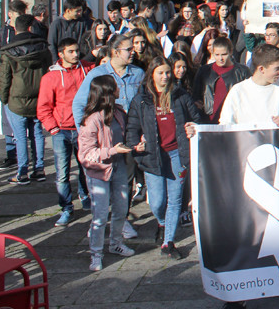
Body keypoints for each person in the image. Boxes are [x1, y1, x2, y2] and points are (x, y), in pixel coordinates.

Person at [212, 43, 279, 309]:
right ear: (261, 68)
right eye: (277, 68)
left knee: (276, 229)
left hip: (277, 172)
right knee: (245, 234)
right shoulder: (239, 92)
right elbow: (224, 130)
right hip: (246, 171)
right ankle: (237, 299)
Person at [126, 56, 205, 258]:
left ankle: (168, 242)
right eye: (160, 73)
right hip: (153, 155)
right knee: (157, 202)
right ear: (152, 74)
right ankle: (162, 222)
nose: (165, 76)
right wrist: (135, 145)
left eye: (167, 72)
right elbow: (132, 127)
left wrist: (192, 127)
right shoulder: (141, 100)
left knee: (175, 199)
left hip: (178, 153)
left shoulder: (180, 96)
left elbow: (196, 119)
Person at [77, 76, 135, 271]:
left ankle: (116, 243)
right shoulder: (91, 120)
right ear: (107, 92)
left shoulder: (118, 112)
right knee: (100, 215)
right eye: (115, 88)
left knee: (121, 209)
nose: (119, 90)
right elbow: (86, 155)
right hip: (99, 173)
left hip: (119, 167)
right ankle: (96, 253)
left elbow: (126, 135)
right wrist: (112, 151)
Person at [37, 38, 92, 225]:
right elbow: (43, 107)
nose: (76, 54)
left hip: (83, 128)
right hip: (61, 130)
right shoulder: (51, 77)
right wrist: (53, 128)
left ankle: (85, 196)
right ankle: (66, 208)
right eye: (71, 51)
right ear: (61, 54)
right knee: (62, 172)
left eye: (77, 50)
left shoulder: (87, 69)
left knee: (86, 167)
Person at [0, 14, 53, 184]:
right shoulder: (43, 48)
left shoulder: (8, 51)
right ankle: (39, 169)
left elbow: (4, 78)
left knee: (20, 136)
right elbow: (49, 73)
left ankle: (22, 173)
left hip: (16, 99)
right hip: (39, 97)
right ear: (30, 28)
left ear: (16, 28)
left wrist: (4, 99)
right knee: (37, 134)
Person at [192, 37, 250, 124]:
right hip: (209, 118)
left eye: (224, 54)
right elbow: (196, 95)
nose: (220, 58)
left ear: (230, 52)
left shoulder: (242, 71)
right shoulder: (204, 71)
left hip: (233, 118)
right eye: (217, 55)